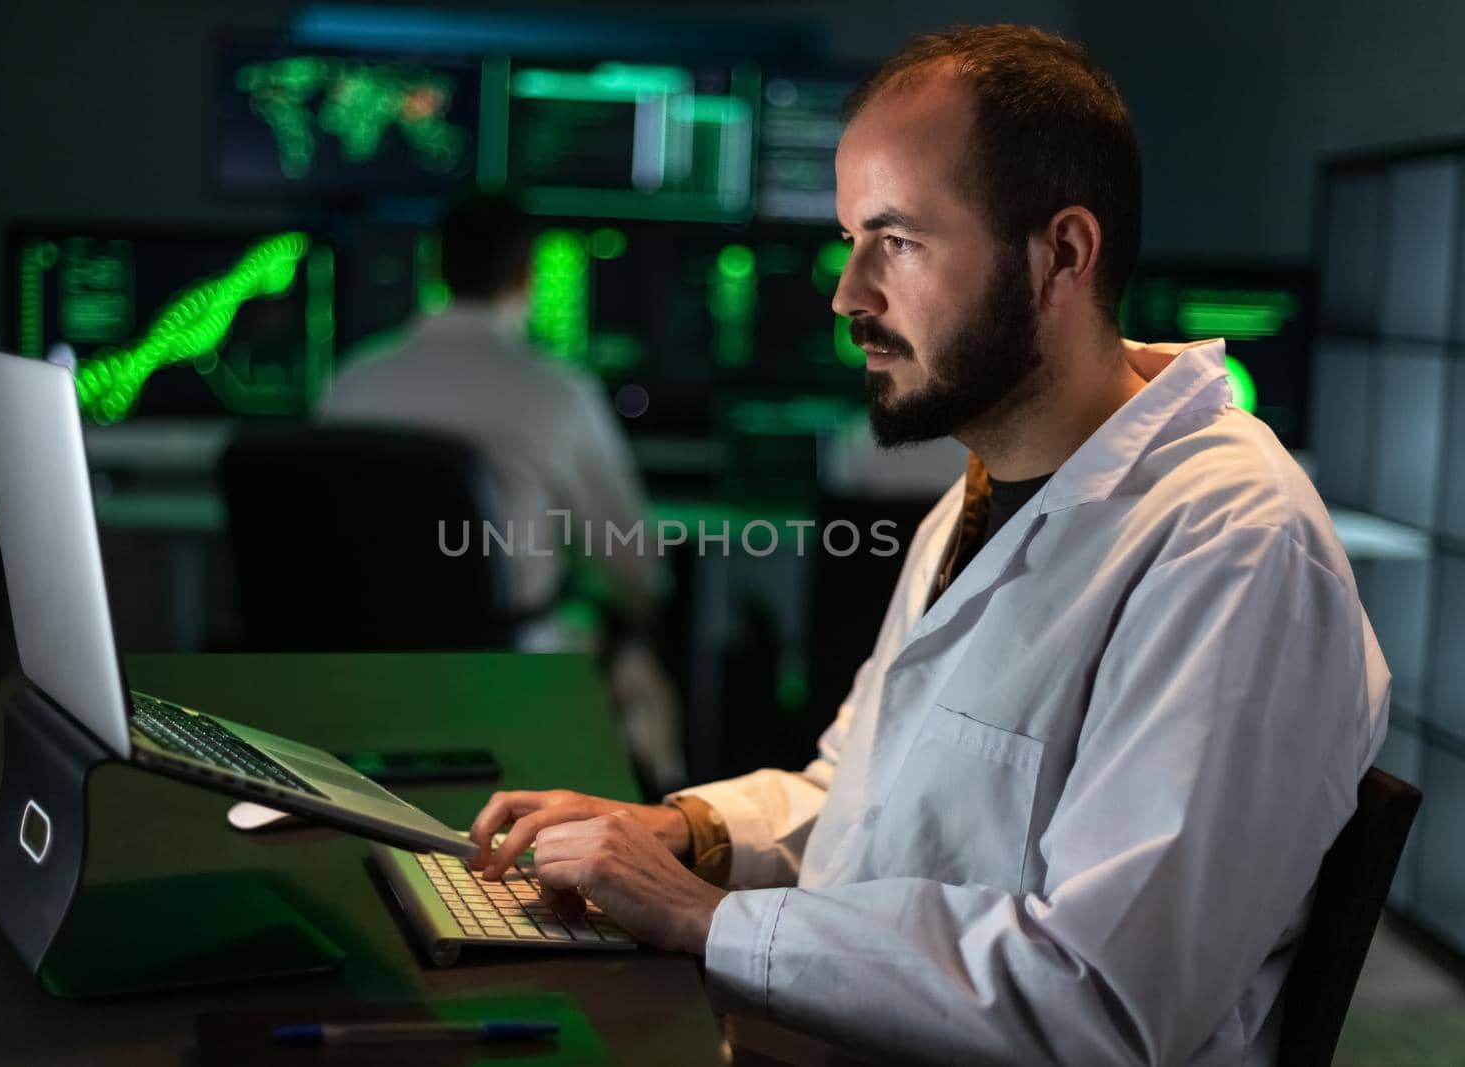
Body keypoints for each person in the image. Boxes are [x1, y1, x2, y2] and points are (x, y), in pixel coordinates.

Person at [467, 25, 1389, 1065]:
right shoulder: (989, 486)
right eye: (852, 239)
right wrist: (678, 833)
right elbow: (862, 795)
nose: (847, 293)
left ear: (1061, 256)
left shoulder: (1232, 546)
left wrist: (705, 917)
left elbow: (1104, 1002)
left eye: (897, 241)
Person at [319, 192, 683, 788]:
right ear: (527, 275)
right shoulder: (556, 393)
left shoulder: (349, 383)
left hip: (367, 685)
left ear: (436, 269)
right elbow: (638, 571)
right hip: (509, 680)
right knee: (644, 684)